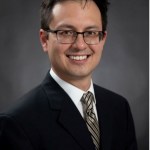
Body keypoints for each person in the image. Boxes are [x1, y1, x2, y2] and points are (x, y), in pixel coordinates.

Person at [0, 0, 138, 149]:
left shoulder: (119, 108)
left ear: (102, 39)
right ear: (44, 39)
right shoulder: (17, 123)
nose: (80, 45)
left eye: (91, 32)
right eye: (66, 32)